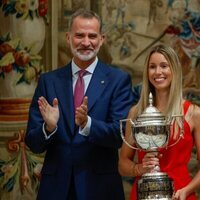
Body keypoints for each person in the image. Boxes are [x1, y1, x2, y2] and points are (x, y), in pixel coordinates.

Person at [25, 8, 134, 200]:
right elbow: (33, 142)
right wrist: (48, 128)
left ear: (102, 39)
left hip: (100, 188)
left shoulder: (118, 80)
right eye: (79, 35)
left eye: (92, 36)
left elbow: (120, 135)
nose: (86, 42)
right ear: (68, 38)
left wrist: (87, 124)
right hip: (56, 189)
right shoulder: (48, 81)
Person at [118, 44, 200, 200]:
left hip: (180, 194)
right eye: (152, 67)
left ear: (174, 70)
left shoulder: (193, 113)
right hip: (144, 193)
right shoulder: (136, 112)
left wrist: (187, 190)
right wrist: (139, 168)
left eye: (164, 66)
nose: (158, 72)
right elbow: (122, 164)